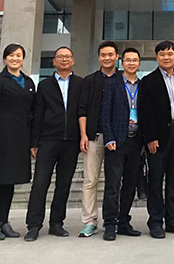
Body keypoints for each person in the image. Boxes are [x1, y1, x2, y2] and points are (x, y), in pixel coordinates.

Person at [0, 44, 36, 240]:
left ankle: (4, 221)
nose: (15, 58)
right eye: (11, 55)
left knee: (9, 181)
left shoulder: (28, 82)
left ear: (23, 59)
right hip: (0, 137)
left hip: (19, 140)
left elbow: (32, 111)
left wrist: (32, 141)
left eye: (18, 55)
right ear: (4, 59)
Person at [24, 46, 83, 241]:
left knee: (64, 184)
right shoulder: (44, 85)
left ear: (73, 61)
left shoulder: (80, 83)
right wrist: (34, 142)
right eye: (60, 57)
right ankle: (34, 225)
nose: (64, 59)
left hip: (71, 142)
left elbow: (83, 111)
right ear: (54, 61)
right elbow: (38, 114)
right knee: (40, 183)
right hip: (48, 140)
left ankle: (57, 223)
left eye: (67, 56)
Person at [138, 41, 174, 239]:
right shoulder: (148, 81)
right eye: (162, 54)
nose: (166, 57)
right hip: (158, 138)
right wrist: (150, 137)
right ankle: (155, 221)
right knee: (156, 180)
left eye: (170, 54)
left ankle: (172, 220)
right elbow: (145, 111)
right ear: (156, 57)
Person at [101, 47, 144, 241]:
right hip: (116, 142)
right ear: (122, 63)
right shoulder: (112, 84)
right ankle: (110, 224)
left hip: (136, 143)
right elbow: (105, 114)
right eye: (128, 60)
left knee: (130, 184)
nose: (131, 63)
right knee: (112, 185)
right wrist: (109, 138)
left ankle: (123, 221)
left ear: (139, 63)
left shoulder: (143, 86)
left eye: (135, 60)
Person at [77, 40, 119, 237]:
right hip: (94, 136)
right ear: (99, 57)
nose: (107, 58)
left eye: (111, 54)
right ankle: (89, 221)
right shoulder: (90, 80)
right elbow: (82, 110)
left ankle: (113, 220)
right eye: (103, 55)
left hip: (117, 138)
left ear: (117, 57)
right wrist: (83, 135)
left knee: (114, 182)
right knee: (90, 180)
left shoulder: (122, 79)